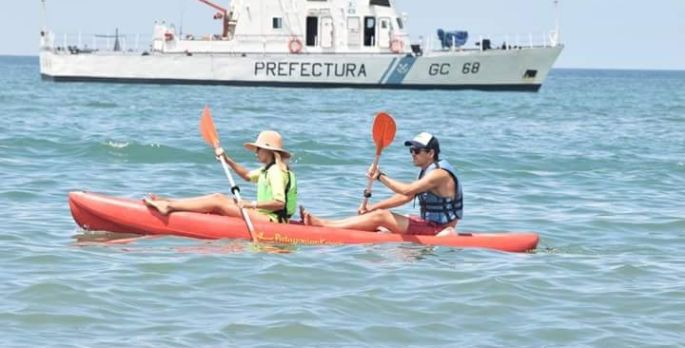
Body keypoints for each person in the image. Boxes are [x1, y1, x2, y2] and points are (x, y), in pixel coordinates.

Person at [301, 132, 462, 236]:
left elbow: (407, 190)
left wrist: (380, 176)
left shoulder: (439, 174)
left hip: (438, 230)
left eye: (417, 150)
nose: (413, 154)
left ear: (431, 153)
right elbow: (405, 197)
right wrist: (374, 207)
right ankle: (330, 224)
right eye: (411, 150)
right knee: (378, 215)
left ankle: (324, 226)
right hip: (429, 224)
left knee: (381, 217)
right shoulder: (428, 170)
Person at [144, 130, 297, 223]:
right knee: (218, 196)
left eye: (259, 149)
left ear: (269, 152)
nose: (256, 152)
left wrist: (250, 204)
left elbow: (279, 203)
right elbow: (247, 175)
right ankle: (170, 202)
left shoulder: (276, 172)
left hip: (273, 221)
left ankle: (169, 206)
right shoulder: (269, 169)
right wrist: (227, 159)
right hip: (264, 216)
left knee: (218, 203)